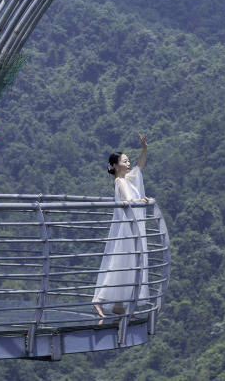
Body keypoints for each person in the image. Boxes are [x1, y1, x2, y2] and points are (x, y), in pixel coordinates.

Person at [92, 133, 151, 322]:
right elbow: (128, 199)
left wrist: (144, 148)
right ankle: (100, 298)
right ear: (116, 165)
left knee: (128, 265)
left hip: (131, 228)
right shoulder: (120, 181)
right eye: (125, 161)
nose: (128, 163)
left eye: (128, 161)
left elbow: (140, 167)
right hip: (127, 229)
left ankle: (119, 306)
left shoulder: (129, 177)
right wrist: (139, 200)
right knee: (122, 263)